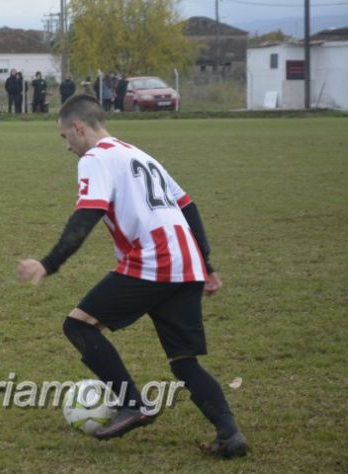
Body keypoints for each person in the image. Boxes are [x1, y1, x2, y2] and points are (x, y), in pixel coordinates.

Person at [17, 95, 247, 458]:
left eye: (65, 137)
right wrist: (206, 265)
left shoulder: (95, 158)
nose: (67, 147)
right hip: (185, 263)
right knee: (184, 361)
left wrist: (48, 263)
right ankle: (230, 433)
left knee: (78, 325)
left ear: (79, 127)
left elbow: (86, 216)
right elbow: (188, 205)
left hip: (153, 260)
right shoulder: (140, 154)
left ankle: (133, 404)